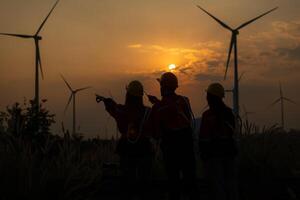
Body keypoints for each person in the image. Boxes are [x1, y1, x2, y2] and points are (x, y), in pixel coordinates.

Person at [96, 80, 153, 200]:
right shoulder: (148, 112)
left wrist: (106, 102)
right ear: (141, 96)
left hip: (126, 150)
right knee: (145, 185)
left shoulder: (121, 110)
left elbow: (113, 109)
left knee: (127, 184)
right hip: (144, 150)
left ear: (128, 95)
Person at [148, 72, 197, 200]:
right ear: (175, 86)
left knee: (173, 183)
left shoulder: (157, 108)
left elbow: (156, 133)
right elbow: (175, 109)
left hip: (171, 149)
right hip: (187, 147)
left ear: (163, 87)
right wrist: (158, 103)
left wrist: (157, 105)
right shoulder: (185, 101)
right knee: (190, 182)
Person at [199, 83, 238, 200]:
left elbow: (203, 138)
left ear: (211, 97)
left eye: (208, 95)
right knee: (231, 186)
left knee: (217, 187)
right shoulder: (229, 113)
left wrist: (203, 156)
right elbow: (232, 133)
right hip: (230, 154)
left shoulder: (207, 115)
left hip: (214, 156)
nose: (206, 98)